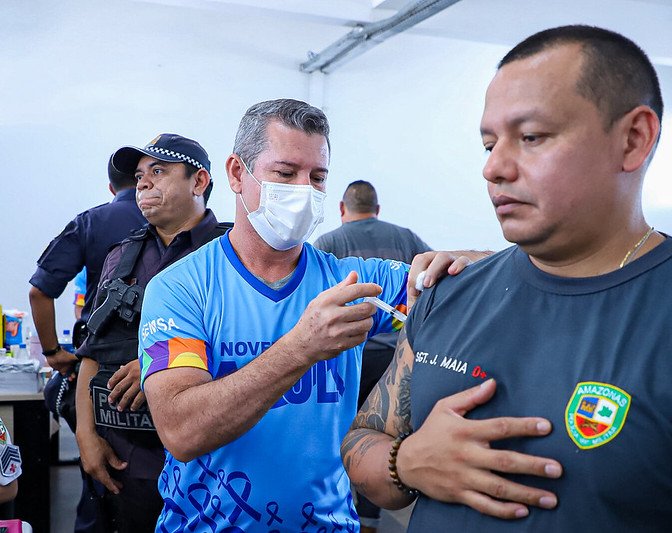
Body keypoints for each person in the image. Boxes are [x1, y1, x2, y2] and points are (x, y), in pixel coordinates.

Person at [342, 25, 672, 532]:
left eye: (531, 138)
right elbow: (362, 440)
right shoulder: (449, 293)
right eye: (489, 144)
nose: (494, 168)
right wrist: (405, 463)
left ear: (633, 139)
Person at [138, 99, 480, 531]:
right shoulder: (181, 288)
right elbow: (182, 431)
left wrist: (459, 263)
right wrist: (300, 348)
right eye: (285, 174)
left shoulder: (351, 282)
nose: (304, 191)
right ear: (237, 174)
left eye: (317, 177)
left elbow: (481, 280)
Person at [74, 133, 226, 533]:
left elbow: (257, 348)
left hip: (207, 468)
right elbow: (92, 352)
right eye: (140, 175)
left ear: (199, 181)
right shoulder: (120, 257)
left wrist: (158, 365)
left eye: (158, 171)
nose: (143, 183)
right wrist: (86, 435)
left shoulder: (234, 255)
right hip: (122, 461)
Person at [29, 155, 146, 533]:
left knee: (98, 483)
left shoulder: (92, 222)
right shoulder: (182, 224)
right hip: (167, 369)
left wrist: (53, 353)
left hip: (99, 372)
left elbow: (39, 291)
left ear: (112, 187)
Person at [315, 180, 431, 532]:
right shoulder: (405, 237)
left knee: (344, 436)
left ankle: (332, 506)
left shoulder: (329, 243)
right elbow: (433, 281)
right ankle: (368, 523)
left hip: (352, 359)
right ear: (377, 209)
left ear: (342, 208)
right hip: (397, 360)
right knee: (382, 440)